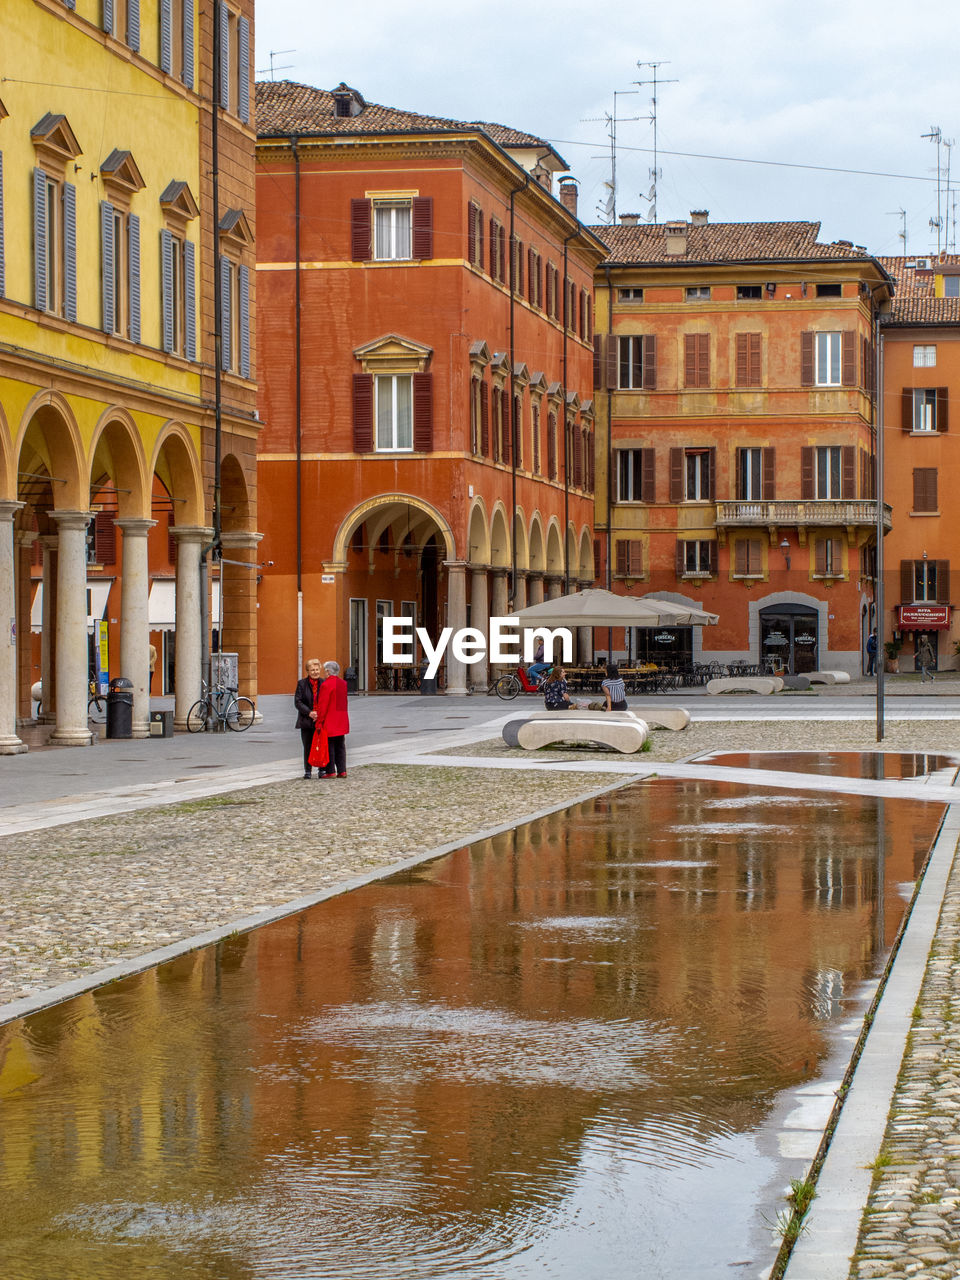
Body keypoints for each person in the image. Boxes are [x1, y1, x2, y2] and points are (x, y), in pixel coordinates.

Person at [315, 659, 350, 776]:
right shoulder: (343, 684)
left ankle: (330, 771)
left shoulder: (326, 685)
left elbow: (323, 705)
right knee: (340, 745)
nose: (324, 673)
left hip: (330, 719)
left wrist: (319, 721)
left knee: (329, 745)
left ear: (328, 671)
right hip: (341, 718)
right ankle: (342, 770)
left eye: (325, 671)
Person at [294, 658, 324, 778]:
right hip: (306, 720)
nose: (315, 672)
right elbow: (298, 701)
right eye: (312, 670)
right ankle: (308, 770)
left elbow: (327, 700)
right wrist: (309, 712)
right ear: (308, 671)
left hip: (320, 720)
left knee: (321, 745)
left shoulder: (324, 683)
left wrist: (320, 713)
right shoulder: (302, 684)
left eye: (317, 669)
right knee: (308, 746)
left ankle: (322, 769)